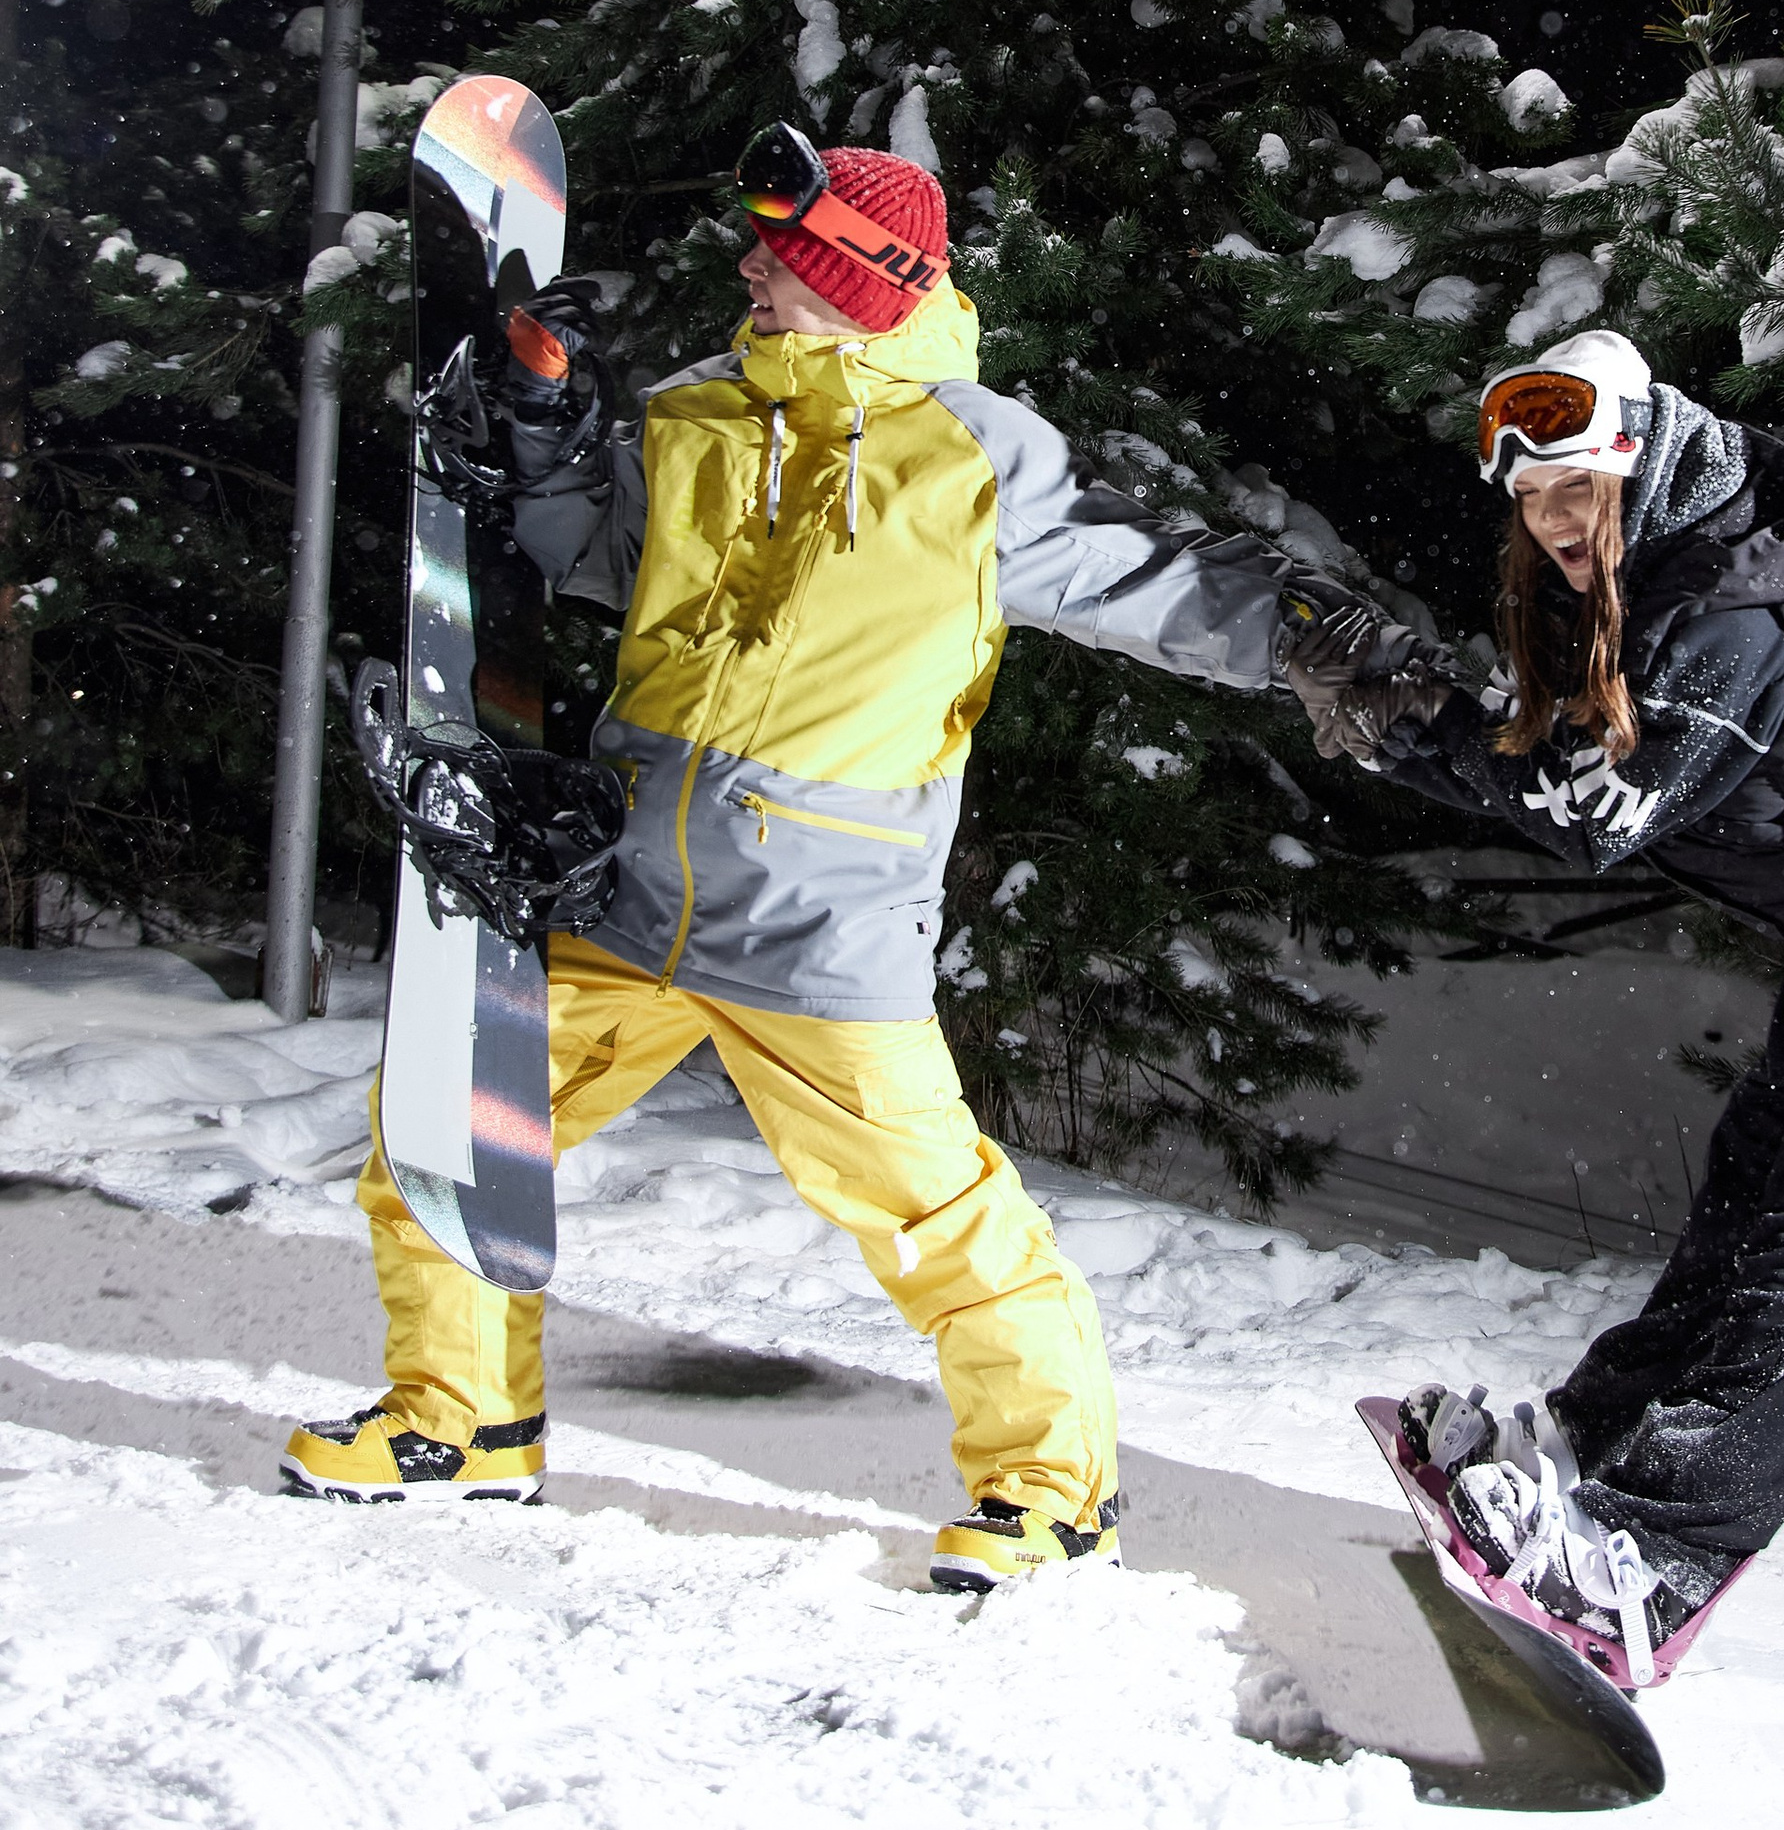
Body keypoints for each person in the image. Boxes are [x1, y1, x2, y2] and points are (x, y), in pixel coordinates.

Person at [285, 135, 1290, 1590]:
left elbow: (1168, 589)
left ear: (857, 277)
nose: (747, 269)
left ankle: (1049, 1496)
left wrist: (1344, 659)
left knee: (934, 1216)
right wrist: (551, 427)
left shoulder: (976, 456)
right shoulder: (696, 413)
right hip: (624, 893)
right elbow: (588, 557)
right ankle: (463, 1420)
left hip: (821, 925)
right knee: (444, 1126)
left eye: (779, 253)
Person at [1279, 328, 1784, 1687]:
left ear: (1643, 464)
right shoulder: (1665, 583)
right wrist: (1419, 703)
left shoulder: (1729, 610)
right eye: (1534, 501)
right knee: (1746, 1221)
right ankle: (1586, 1457)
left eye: (1581, 491)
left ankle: (1651, 1568)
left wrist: (1402, 712)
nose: (1560, 524)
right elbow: (1555, 751)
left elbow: (1591, 811)